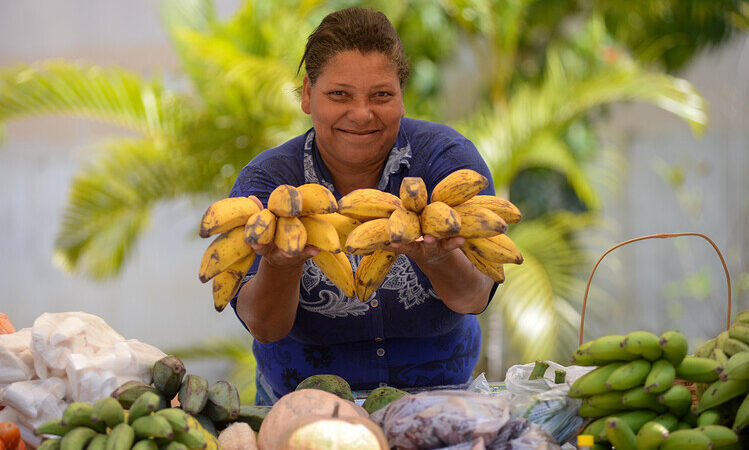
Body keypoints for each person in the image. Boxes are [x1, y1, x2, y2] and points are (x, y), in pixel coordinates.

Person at [229, 6, 498, 405]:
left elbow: (475, 297)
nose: (361, 113)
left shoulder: (448, 166)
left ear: (402, 97)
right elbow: (264, 326)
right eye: (339, 94)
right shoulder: (267, 185)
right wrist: (280, 265)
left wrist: (438, 259)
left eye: (381, 95)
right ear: (307, 94)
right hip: (303, 408)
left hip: (440, 403)